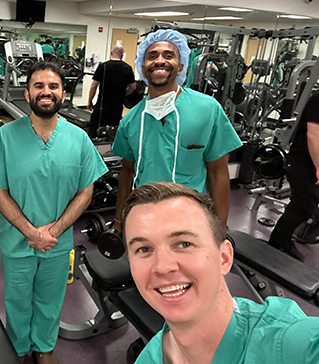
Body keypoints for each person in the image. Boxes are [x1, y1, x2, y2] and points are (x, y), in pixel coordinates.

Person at [0, 61, 108, 363]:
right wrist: (30, 231)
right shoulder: (5, 137)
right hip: (18, 242)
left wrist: (53, 231)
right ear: (26, 94)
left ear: (64, 94)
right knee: (16, 300)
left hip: (57, 242)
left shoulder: (77, 138)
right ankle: (19, 346)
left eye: (53, 86)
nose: (46, 92)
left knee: (51, 300)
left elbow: (85, 191)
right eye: (38, 86)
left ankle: (44, 348)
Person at [122, 181, 319, 364]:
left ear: (224, 258)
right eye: (144, 249)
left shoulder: (289, 343)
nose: (162, 267)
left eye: (184, 244)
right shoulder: (152, 356)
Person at [112, 29, 242, 230]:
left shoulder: (208, 109)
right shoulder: (130, 120)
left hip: (192, 219)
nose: (159, 60)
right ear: (143, 68)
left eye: (168, 55)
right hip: (144, 218)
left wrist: (220, 227)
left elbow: (218, 172)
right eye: (152, 56)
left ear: (181, 67)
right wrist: (120, 221)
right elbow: (127, 172)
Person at [268, 92, 319, 261]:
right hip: (304, 162)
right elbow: (313, 135)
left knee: (308, 204)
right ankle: (278, 241)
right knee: (303, 205)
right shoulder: (318, 99)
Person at [87, 45, 136, 138]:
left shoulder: (103, 66)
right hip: (117, 106)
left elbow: (94, 86)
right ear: (122, 54)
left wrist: (90, 100)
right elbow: (133, 87)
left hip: (102, 105)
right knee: (113, 131)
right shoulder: (127, 68)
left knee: (94, 129)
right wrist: (123, 95)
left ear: (111, 53)